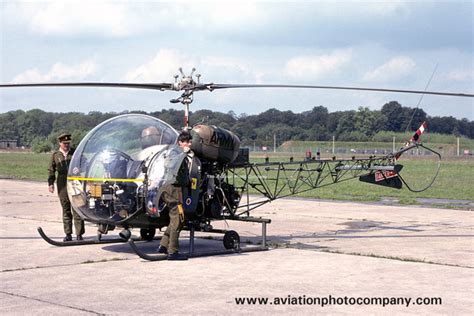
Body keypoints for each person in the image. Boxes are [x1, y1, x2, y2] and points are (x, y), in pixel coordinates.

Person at [158, 130, 199, 260]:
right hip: (172, 189)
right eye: (185, 141)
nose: (188, 144)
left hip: (174, 188)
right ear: (179, 143)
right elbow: (170, 164)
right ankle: (173, 251)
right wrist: (183, 153)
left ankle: (163, 245)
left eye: (190, 141)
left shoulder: (179, 153)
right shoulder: (176, 153)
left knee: (176, 218)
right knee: (178, 219)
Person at [48, 133, 85, 241]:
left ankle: (79, 234)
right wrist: (51, 183)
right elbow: (51, 170)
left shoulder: (76, 153)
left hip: (74, 182)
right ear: (60, 143)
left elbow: (86, 163)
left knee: (77, 208)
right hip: (62, 183)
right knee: (66, 209)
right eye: (64, 143)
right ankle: (68, 234)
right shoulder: (55, 155)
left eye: (68, 143)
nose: (66, 145)